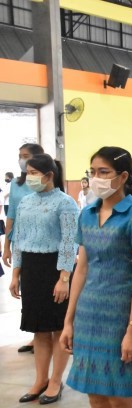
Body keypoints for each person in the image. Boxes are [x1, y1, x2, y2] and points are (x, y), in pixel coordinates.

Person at [61, 146, 132, 408]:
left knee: (120, 399)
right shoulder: (86, 214)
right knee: (96, 398)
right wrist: (69, 320)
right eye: (93, 172)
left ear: (123, 177)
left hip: (120, 317)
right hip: (88, 315)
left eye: (103, 172)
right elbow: (82, 268)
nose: (96, 178)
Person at [10, 154, 79, 405]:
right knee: (38, 328)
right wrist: (16, 274)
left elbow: (69, 242)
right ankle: (40, 379)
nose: (29, 177)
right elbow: (18, 239)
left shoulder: (66, 203)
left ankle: (56, 381)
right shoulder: (25, 202)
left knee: (58, 327)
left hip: (55, 268)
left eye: (33, 173)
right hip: (31, 269)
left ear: (49, 175)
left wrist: (64, 277)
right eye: (27, 172)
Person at [5, 144, 42, 354]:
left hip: (41, 244)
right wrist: (6, 246)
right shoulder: (16, 184)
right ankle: (35, 334)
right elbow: (11, 215)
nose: (22, 160)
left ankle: (43, 335)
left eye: (25, 156)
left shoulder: (43, 181)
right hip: (20, 242)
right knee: (25, 289)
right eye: (20, 156)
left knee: (40, 289)